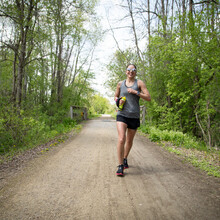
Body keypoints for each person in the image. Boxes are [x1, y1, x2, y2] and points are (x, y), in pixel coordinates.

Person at [114, 64, 151, 176]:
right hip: (122, 114)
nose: (131, 72)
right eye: (129, 70)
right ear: (126, 72)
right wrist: (118, 101)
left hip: (134, 116)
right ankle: (120, 166)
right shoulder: (120, 84)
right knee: (121, 139)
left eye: (133, 70)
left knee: (129, 141)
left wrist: (136, 93)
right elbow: (115, 96)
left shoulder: (139, 83)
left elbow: (148, 98)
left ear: (135, 72)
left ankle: (125, 158)